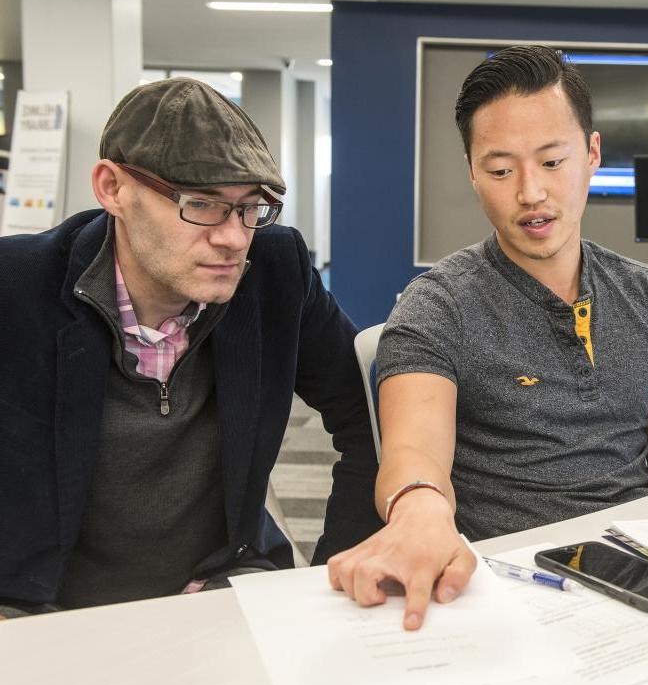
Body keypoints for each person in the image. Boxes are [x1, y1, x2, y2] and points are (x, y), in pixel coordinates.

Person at [322, 45, 648, 629]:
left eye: (552, 162)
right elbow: (413, 458)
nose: (531, 193)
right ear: (473, 173)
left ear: (592, 154)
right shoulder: (437, 307)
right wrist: (419, 513)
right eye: (501, 170)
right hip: (507, 593)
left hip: (640, 583)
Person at [0, 78, 380, 619]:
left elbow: (369, 416)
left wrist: (335, 571)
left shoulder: (275, 272)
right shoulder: (16, 288)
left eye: (250, 207)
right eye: (201, 205)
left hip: (222, 586)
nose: (232, 237)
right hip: (42, 606)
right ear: (112, 188)